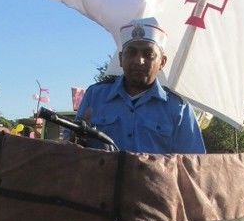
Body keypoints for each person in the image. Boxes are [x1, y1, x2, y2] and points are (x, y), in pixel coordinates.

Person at [75, 17, 205, 154]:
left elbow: (193, 166)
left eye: (149, 54)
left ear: (162, 62)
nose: (139, 61)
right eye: (131, 53)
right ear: (120, 59)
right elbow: (72, 150)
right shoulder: (95, 96)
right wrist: (78, 138)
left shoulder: (179, 109)